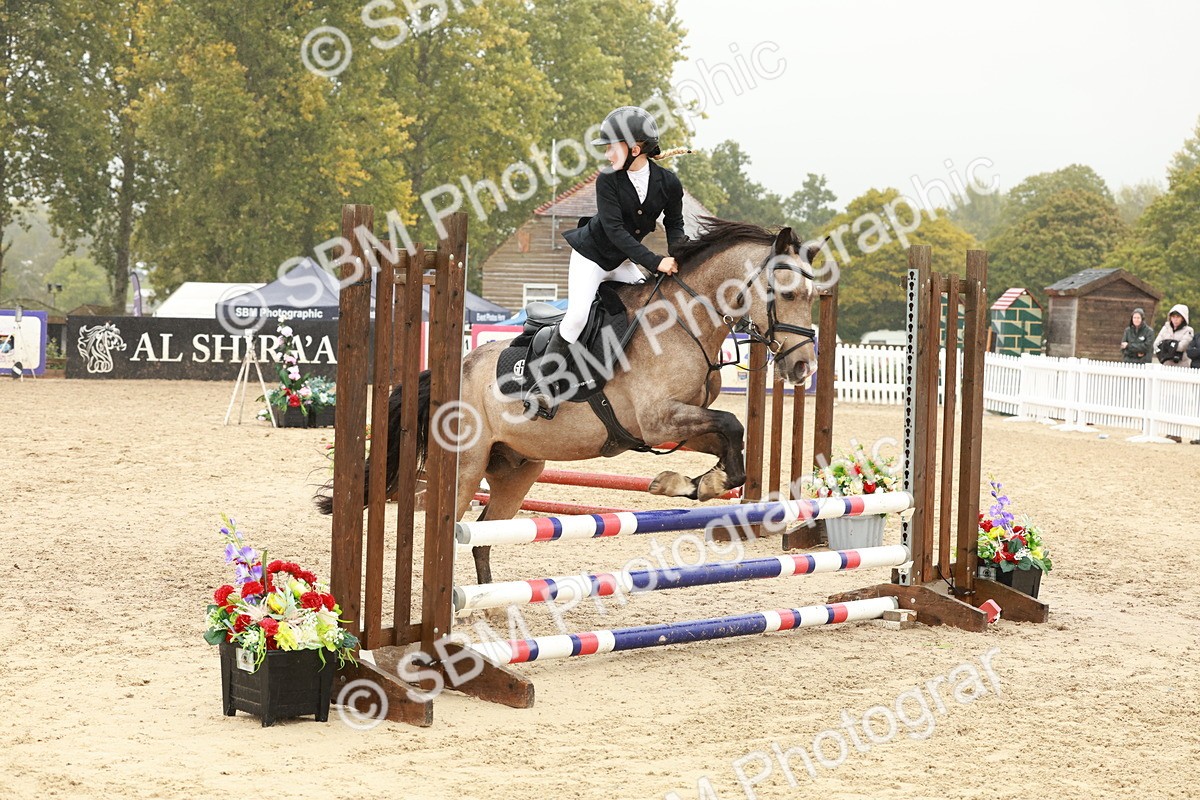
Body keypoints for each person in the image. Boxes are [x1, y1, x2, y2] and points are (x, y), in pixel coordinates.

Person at [533, 106, 686, 408]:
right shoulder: (607, 181)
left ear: (634, 148)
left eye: (610, 148)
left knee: (651, 306)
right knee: (577, 317)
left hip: (622, 263)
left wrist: (683, 255)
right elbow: (616, 232)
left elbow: (675, 225)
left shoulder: (668, 183)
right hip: (590, 258)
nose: (606, 155)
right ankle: (542, 387)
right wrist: (656, 261)